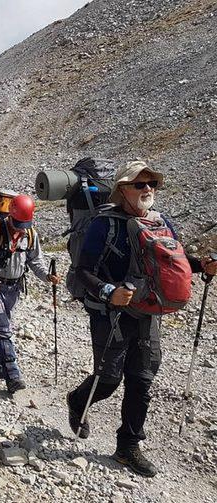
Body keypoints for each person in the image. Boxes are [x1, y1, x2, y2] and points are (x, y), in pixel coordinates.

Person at [66, 161, 217, 477]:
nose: (148, 189)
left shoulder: (162, 223)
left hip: (148, 312)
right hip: (111, 312)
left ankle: (128, 446)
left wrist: (200, 266)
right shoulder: (104, 224)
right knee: (108, 379)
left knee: (142, 380)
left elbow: (171, 259)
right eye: (140, 184)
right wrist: (110, 291)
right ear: (123, 189)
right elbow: (83, 271)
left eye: (153, 184)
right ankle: (78, 400)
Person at [0, 194, 60, 393]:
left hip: (14, 289)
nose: (21, 227)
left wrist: (47, 276)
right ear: (10, 215)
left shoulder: (30, 234)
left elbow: (35, 261)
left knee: (1, 326)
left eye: (25, 223)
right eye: (18, 223)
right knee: (3, 327)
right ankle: (12, 375)